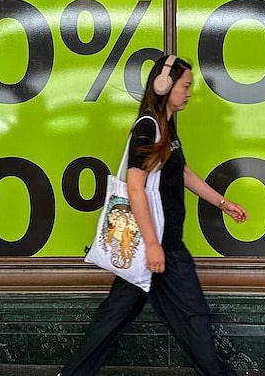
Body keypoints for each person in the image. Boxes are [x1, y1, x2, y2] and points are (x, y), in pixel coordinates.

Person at [59, 54, 247, 376]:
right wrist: (152, 245)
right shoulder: (148, 127)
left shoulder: (166, 125)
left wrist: (221, 203)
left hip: (159, 245)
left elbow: (182, 172)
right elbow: (135, 187)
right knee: (194, 318)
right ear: (164, 85)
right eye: (185, 86)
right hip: (160, 246)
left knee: (115, 316)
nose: (189, 92)